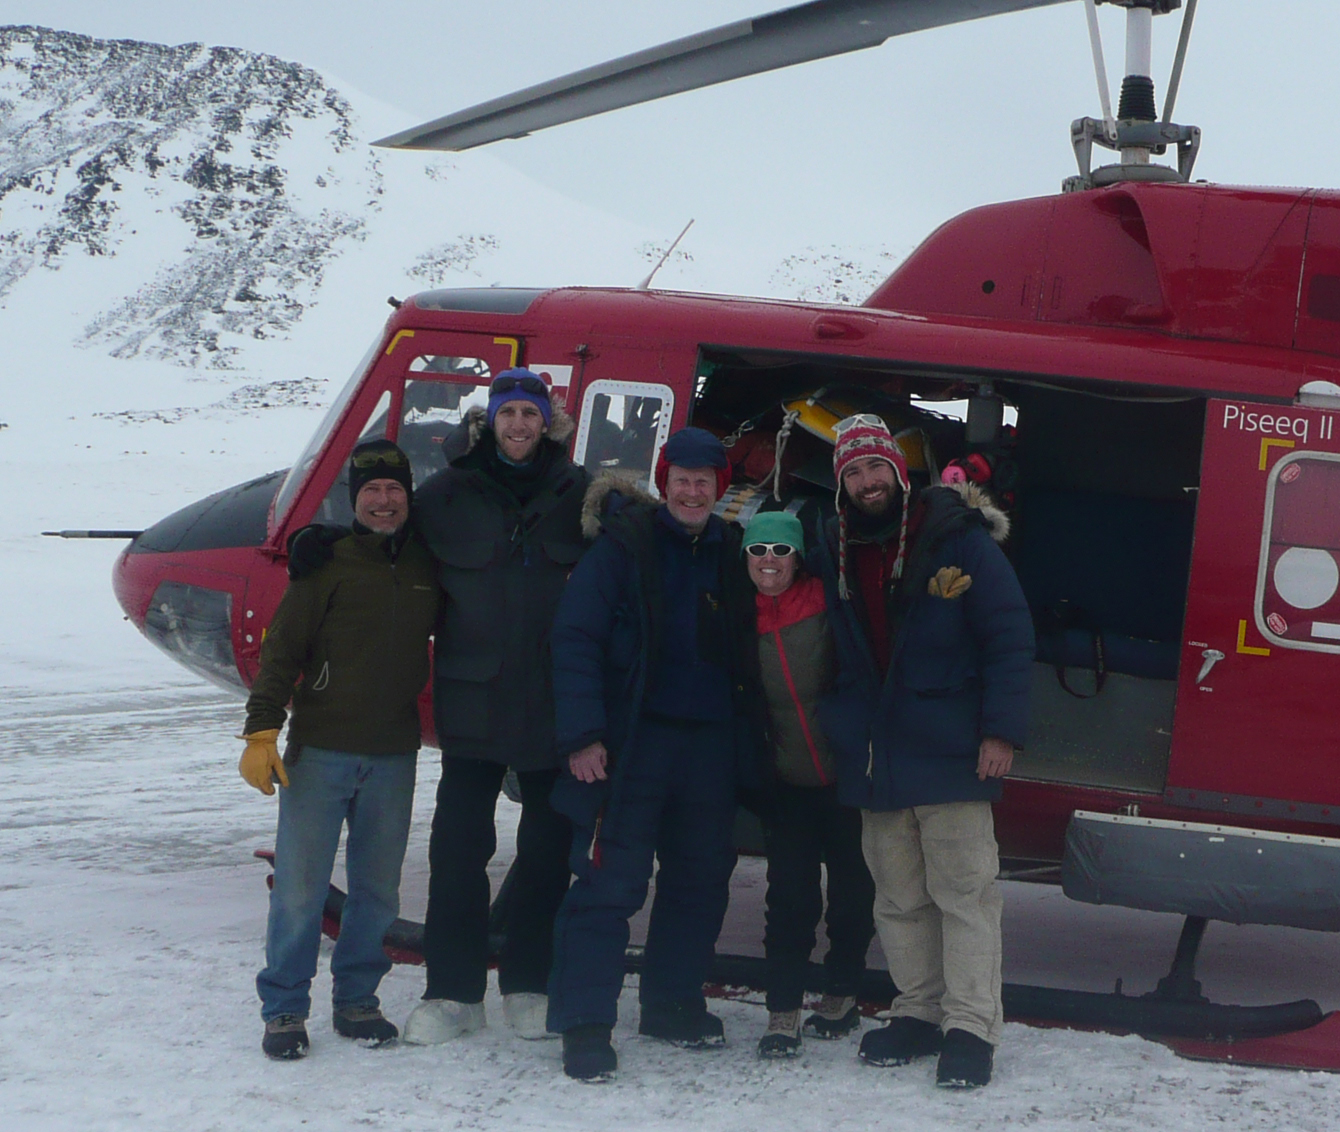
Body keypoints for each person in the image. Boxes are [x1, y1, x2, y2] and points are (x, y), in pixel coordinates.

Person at [815, 414, 1033, 1089]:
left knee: (964, 894)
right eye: (853, 472)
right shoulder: (834, 542)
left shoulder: (956, 538)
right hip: (878, 755)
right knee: (900, 898)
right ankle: (917, 1011)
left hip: (951, 749)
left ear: (898, 468)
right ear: (842, 482)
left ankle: (970, 1027)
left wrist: (1002, 732)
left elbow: (1008, 635)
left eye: (875, 467)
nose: (867, 481)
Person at [545, 427, 758, 1082]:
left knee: (699, 882)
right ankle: (585, 1023)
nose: (694, 491)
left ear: (721, 490)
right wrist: (582, 737)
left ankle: (671, 1003)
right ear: (665, 483)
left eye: (706, 481)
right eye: (684, 479)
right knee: (610, 883)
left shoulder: (733, 552)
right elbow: (575, 638)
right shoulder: (624, 547)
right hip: (634, 744)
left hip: (710, 748)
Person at [401, 368, 591, 1044]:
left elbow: (630, 569)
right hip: (473, 705)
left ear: (548, 423)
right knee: (458, 849)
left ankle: (528, 983)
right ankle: (452, 993)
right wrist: (326, 550)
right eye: (508, 413)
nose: (519, 426)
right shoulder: (446, 496)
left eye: (530, 415)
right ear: (492, 421)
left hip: (550, 707)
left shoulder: (580, 493)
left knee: (546, 849)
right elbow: (393, 559)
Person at [240, 440, 440, 1060]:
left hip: (393, 755)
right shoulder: (325, 561)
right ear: (356, 499)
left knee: (378, 892)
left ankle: (357, 1000)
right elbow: (283, 651)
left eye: (395, 490)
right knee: (300, 891)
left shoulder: (426, 563)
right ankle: (284, 1011)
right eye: (372, 491)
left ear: (409, 497)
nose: (384, 501)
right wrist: (262, 730)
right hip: (321, 752)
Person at [742, 510, 876, 1060]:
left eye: (780, 549)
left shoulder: (828, 603)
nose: (768, 559)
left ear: (798, 556)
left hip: (844, 780)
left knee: (851, 895)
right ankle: (783, 1010)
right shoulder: (734, 616)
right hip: (787, 782)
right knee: (790, 898)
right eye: (758, 549)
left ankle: (841, 995)